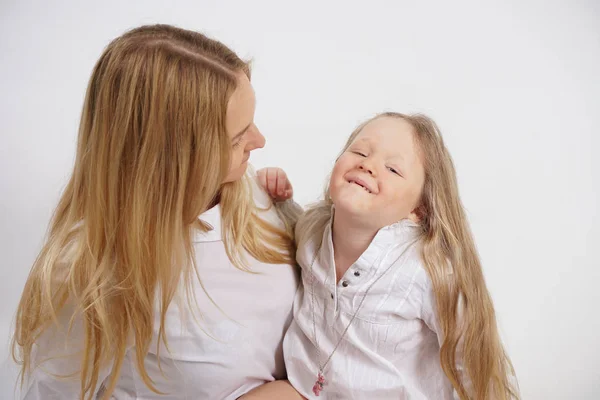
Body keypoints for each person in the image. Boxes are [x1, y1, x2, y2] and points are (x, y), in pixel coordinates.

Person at [12, 24, 301, 400]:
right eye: (236, 138)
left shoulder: (258, 195)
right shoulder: (90, 279)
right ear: (171, 159)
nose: (259, 141)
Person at [253, 112, 519, 399]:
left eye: (393, 169)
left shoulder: (427, 271)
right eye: (360, 151)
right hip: (305, 388)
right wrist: (277, 199)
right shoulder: (311, 229)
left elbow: (472, 360)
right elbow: (286, 229)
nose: (367, 165)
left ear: (419, 209)